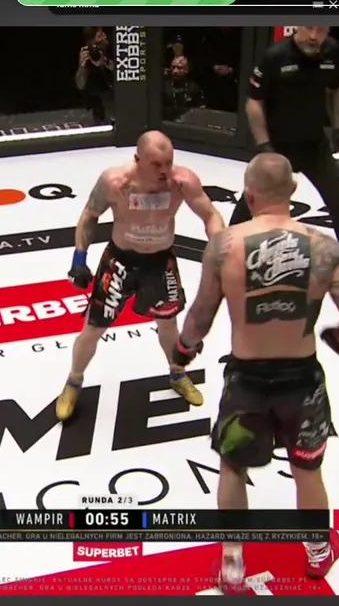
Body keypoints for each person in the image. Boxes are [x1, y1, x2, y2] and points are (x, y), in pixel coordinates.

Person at [171, 153, 339, 593]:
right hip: (302, 380)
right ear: (293, 192)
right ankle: (317, 551)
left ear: (249, 194)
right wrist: (337, 339)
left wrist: (183, 350)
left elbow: (200, 316)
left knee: (233, 467)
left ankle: (233, 563)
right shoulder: (327, 249)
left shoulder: (225, 246)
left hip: (247, 379)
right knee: (307, 470)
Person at [57, 131, 226, 421]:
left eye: (168, 163)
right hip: (120, 261)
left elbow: (210, 215)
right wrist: (79, 258)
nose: (164, 171)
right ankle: (73, 381)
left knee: (168, 324)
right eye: (156, 164)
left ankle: (177, 373)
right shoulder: (115, 182)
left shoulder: (182, 182)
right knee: (93, 327)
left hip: (159, 262)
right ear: (137, 160)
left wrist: (219, 248)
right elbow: (90, 215)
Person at [236, 26, 339, 287]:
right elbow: (253, 102)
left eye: (321, 29)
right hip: (279, 145)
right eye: (309, 27)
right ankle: (227, 253)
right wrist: (264, 146)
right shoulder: (276, 56)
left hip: (314, 144)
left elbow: (335, 87)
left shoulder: (332, 51)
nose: (314, 36)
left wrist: (337, 126)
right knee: (252, 200)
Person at [76, 27, 115, 123]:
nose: (104, 38)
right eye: (96, 45)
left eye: (103, 35)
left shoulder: (114, 50)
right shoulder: (88, 55)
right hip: (96, 104)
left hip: (115, 99)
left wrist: (106, 62)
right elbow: (80, 85)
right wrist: (82, 66)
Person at [162, 55, 205, 121]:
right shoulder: (163, 86)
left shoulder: (193, 88)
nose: (175, 71)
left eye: (179, 68)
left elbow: (201, 109)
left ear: (186, 70)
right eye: (173, 67)